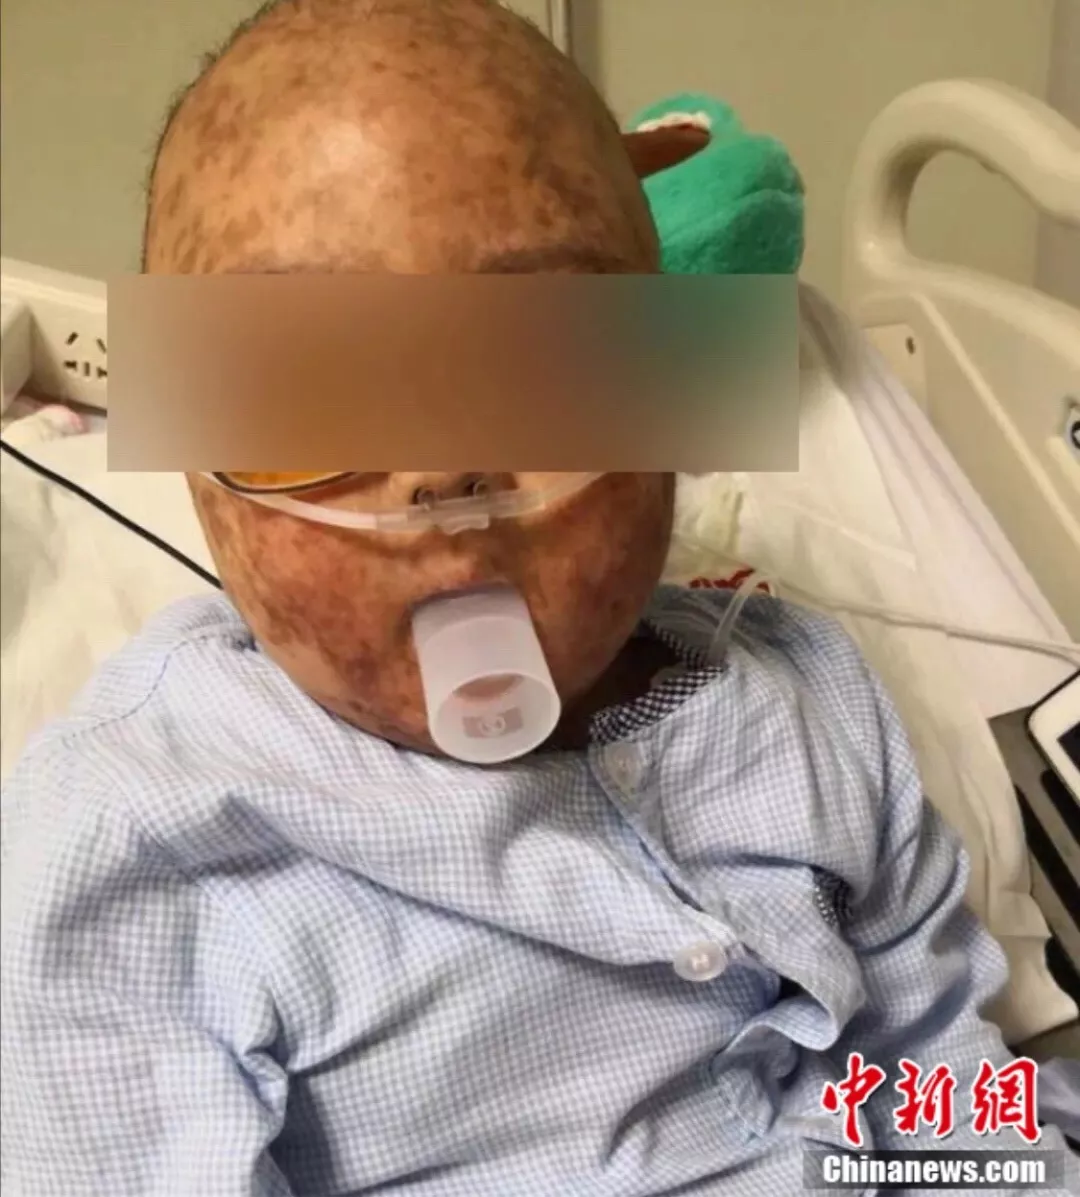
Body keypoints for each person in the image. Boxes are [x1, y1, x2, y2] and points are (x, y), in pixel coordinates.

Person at [2, 2, 1074, 1193]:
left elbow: (942, 1090)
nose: (442, 469)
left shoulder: (804, 705)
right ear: (202, 483)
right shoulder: (140, 847)